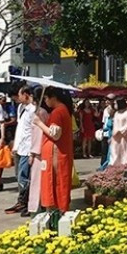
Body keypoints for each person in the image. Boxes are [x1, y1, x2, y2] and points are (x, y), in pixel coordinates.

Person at [32, 87, 74, 218]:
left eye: (46, 98)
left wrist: (39, 123)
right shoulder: (63, 110)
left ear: (53, 97)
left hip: (55, 154)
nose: (45, 101)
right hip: (57, 152)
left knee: (54, 183)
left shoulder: (57, 112)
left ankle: (56, 213)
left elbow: (55, 134)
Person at [6, 85, 36, 215]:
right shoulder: (21, 108)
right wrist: (16, 146)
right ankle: (22, 201)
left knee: (24, 177)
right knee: (19, 176)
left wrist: (32, 152)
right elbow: (21, 129)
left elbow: (33, 132)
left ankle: (26, 202)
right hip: (20, 148)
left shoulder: (34, 110)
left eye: (20, 95)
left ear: (26, 94)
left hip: (28, 148)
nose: (18, 98)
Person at [27, 88, 50, 216]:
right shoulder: (43, 112)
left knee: (36, 180)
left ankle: (35, 208)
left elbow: (37, 135)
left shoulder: (38, 113)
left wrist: (32, 152)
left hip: (38, 151)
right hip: (42, 149)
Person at [109, 98, 127, 166]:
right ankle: (115, 164)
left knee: (124, 149)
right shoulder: (116, 113)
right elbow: (115, 124)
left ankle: (125, 163)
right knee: (115, 149)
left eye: (116, 103)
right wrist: (115, 132)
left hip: (124, 136)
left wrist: (121, 131)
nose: (115, 105)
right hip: (116, 136)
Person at [98, 94, 115, 171]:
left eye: (109, 100)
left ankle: (108, 166)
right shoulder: (105, 110)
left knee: (111, 151)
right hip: (105, 132)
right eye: (106, 100)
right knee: (104, 150)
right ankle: (103, 165)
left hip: (112, 132)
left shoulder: (115, 110)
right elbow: (103, 122)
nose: (107, 101)